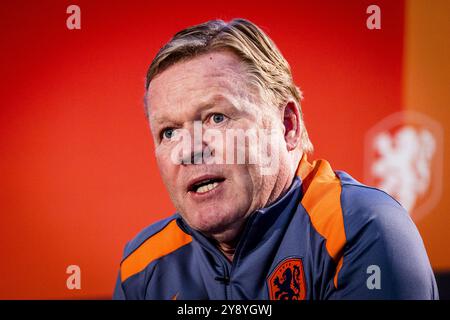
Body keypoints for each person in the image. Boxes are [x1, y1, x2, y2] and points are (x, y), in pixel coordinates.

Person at [113, 18, 438, 300]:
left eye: (216, 118)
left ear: (287, 126)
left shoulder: (359, 228)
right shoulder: (142, 268)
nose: (189, 150)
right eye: (169, 132)